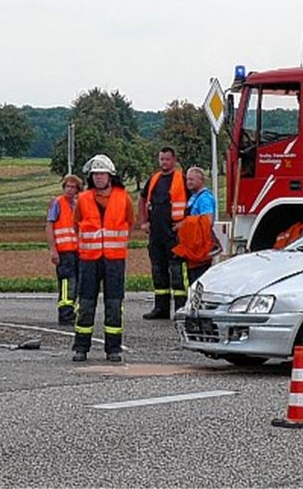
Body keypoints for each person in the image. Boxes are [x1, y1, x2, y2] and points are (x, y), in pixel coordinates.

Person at [72, 154, 134, 363]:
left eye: (102, 174)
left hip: (114, 260)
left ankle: (113, 348)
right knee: (86, 304)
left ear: (110, 176)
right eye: (95, 174)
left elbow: (129, 223)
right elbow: (76, 224)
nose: (98, 177)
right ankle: (81, 347)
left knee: (114, 305)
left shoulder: (123, 198)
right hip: (89, 259)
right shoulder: (83, 199)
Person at [138, 147, 187, 319]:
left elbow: (192, 202)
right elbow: (142, 199)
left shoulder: (182, 179)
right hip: (156, 234)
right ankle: (161, 308)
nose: (164, 162)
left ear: (174, 160)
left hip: (174, 236)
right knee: (158, 272)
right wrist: (144, 221)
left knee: (177, 274)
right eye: (161, 159)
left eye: (167, 159)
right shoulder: (154, 179)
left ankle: (181, 309)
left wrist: (184, 223)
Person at [46, 174, 83, 325]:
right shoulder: (57, 203)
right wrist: (53, 250)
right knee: (68, 283)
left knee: (79, 283)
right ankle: (65, 314)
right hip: (64, 251)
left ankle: (73, 312)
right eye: (67, 186)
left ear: (77, 190)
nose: (69, 189)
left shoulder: (79, 204)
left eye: (73, 187)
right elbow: (49, 226)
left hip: (79, 251)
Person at [173, 167, 220, 283]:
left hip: (200, 248)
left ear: (201, 180)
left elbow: (208, 221)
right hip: (192, 247)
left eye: (192, 179)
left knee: (199, 279)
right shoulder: (193, 197)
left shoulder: (205, 198)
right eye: (187, 179)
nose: (188, 182)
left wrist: (184, 224)